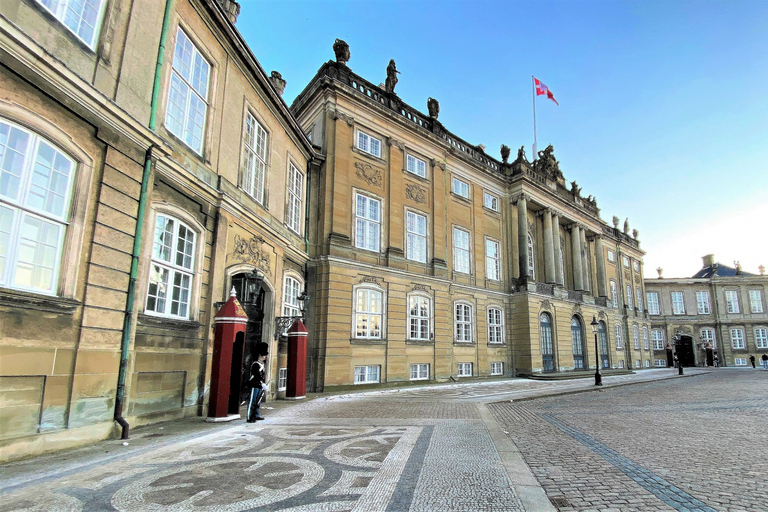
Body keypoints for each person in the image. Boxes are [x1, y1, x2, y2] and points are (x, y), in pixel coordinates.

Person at [246, 353, 267, 422]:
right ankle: (250, 417)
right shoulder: (255, 364)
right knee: (253, 401)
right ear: (259, 356)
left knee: (258, 401)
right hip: (254, 384)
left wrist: (263, 384)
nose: (265, 356)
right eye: (263, 355)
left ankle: (256, 415)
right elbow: (256, 375)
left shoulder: (262, 364)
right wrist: (262, 383)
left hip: (259, 385)